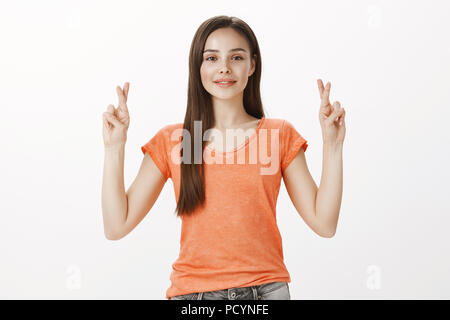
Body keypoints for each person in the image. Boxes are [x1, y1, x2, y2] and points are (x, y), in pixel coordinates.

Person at [101, 15, 346, 300]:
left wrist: (333, 145)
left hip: (266, 293)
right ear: (198, 66)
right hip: (193, 297)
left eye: (237, 58)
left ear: (252, 65)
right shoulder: (180, 140)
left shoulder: (277, 135)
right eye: (212, 58)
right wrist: (114, 147)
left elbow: (324, 223)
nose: (224, 69)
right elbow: (116, 226)